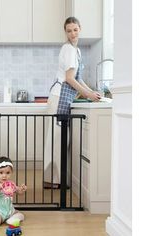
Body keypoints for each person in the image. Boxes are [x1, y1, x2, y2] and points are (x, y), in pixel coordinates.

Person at [44, 17, 101, 189]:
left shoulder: (76, 51)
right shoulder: (68, 49)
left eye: (75, 29)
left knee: (62, 139)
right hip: (59, 97)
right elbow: (69, 78)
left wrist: (90, 92)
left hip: (64, 97)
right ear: (66, 32)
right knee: (57, 139)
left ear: (80, 29)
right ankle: (52, 180)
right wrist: (88, 95)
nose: (72, 33)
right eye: (69, 30)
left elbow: (78, 78)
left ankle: (56, 179)